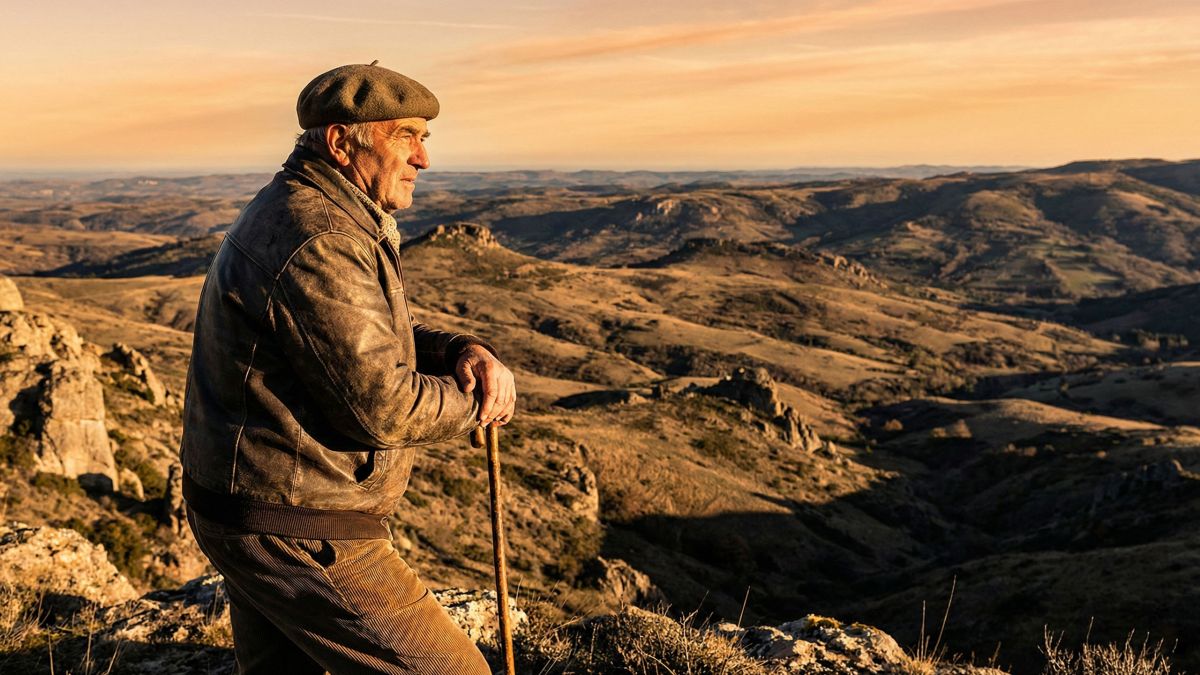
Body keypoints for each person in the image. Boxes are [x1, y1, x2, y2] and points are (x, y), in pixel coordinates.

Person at [179, 62, 516, 675]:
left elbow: (348, 338)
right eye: (405, 136)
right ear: (341, 141)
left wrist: (455, 350)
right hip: (296, 525)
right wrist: (481, 402)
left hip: (254, 506)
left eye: (426, 139)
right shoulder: (321, 235)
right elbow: (381, 406)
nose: (423, 159)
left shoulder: (309, 209)